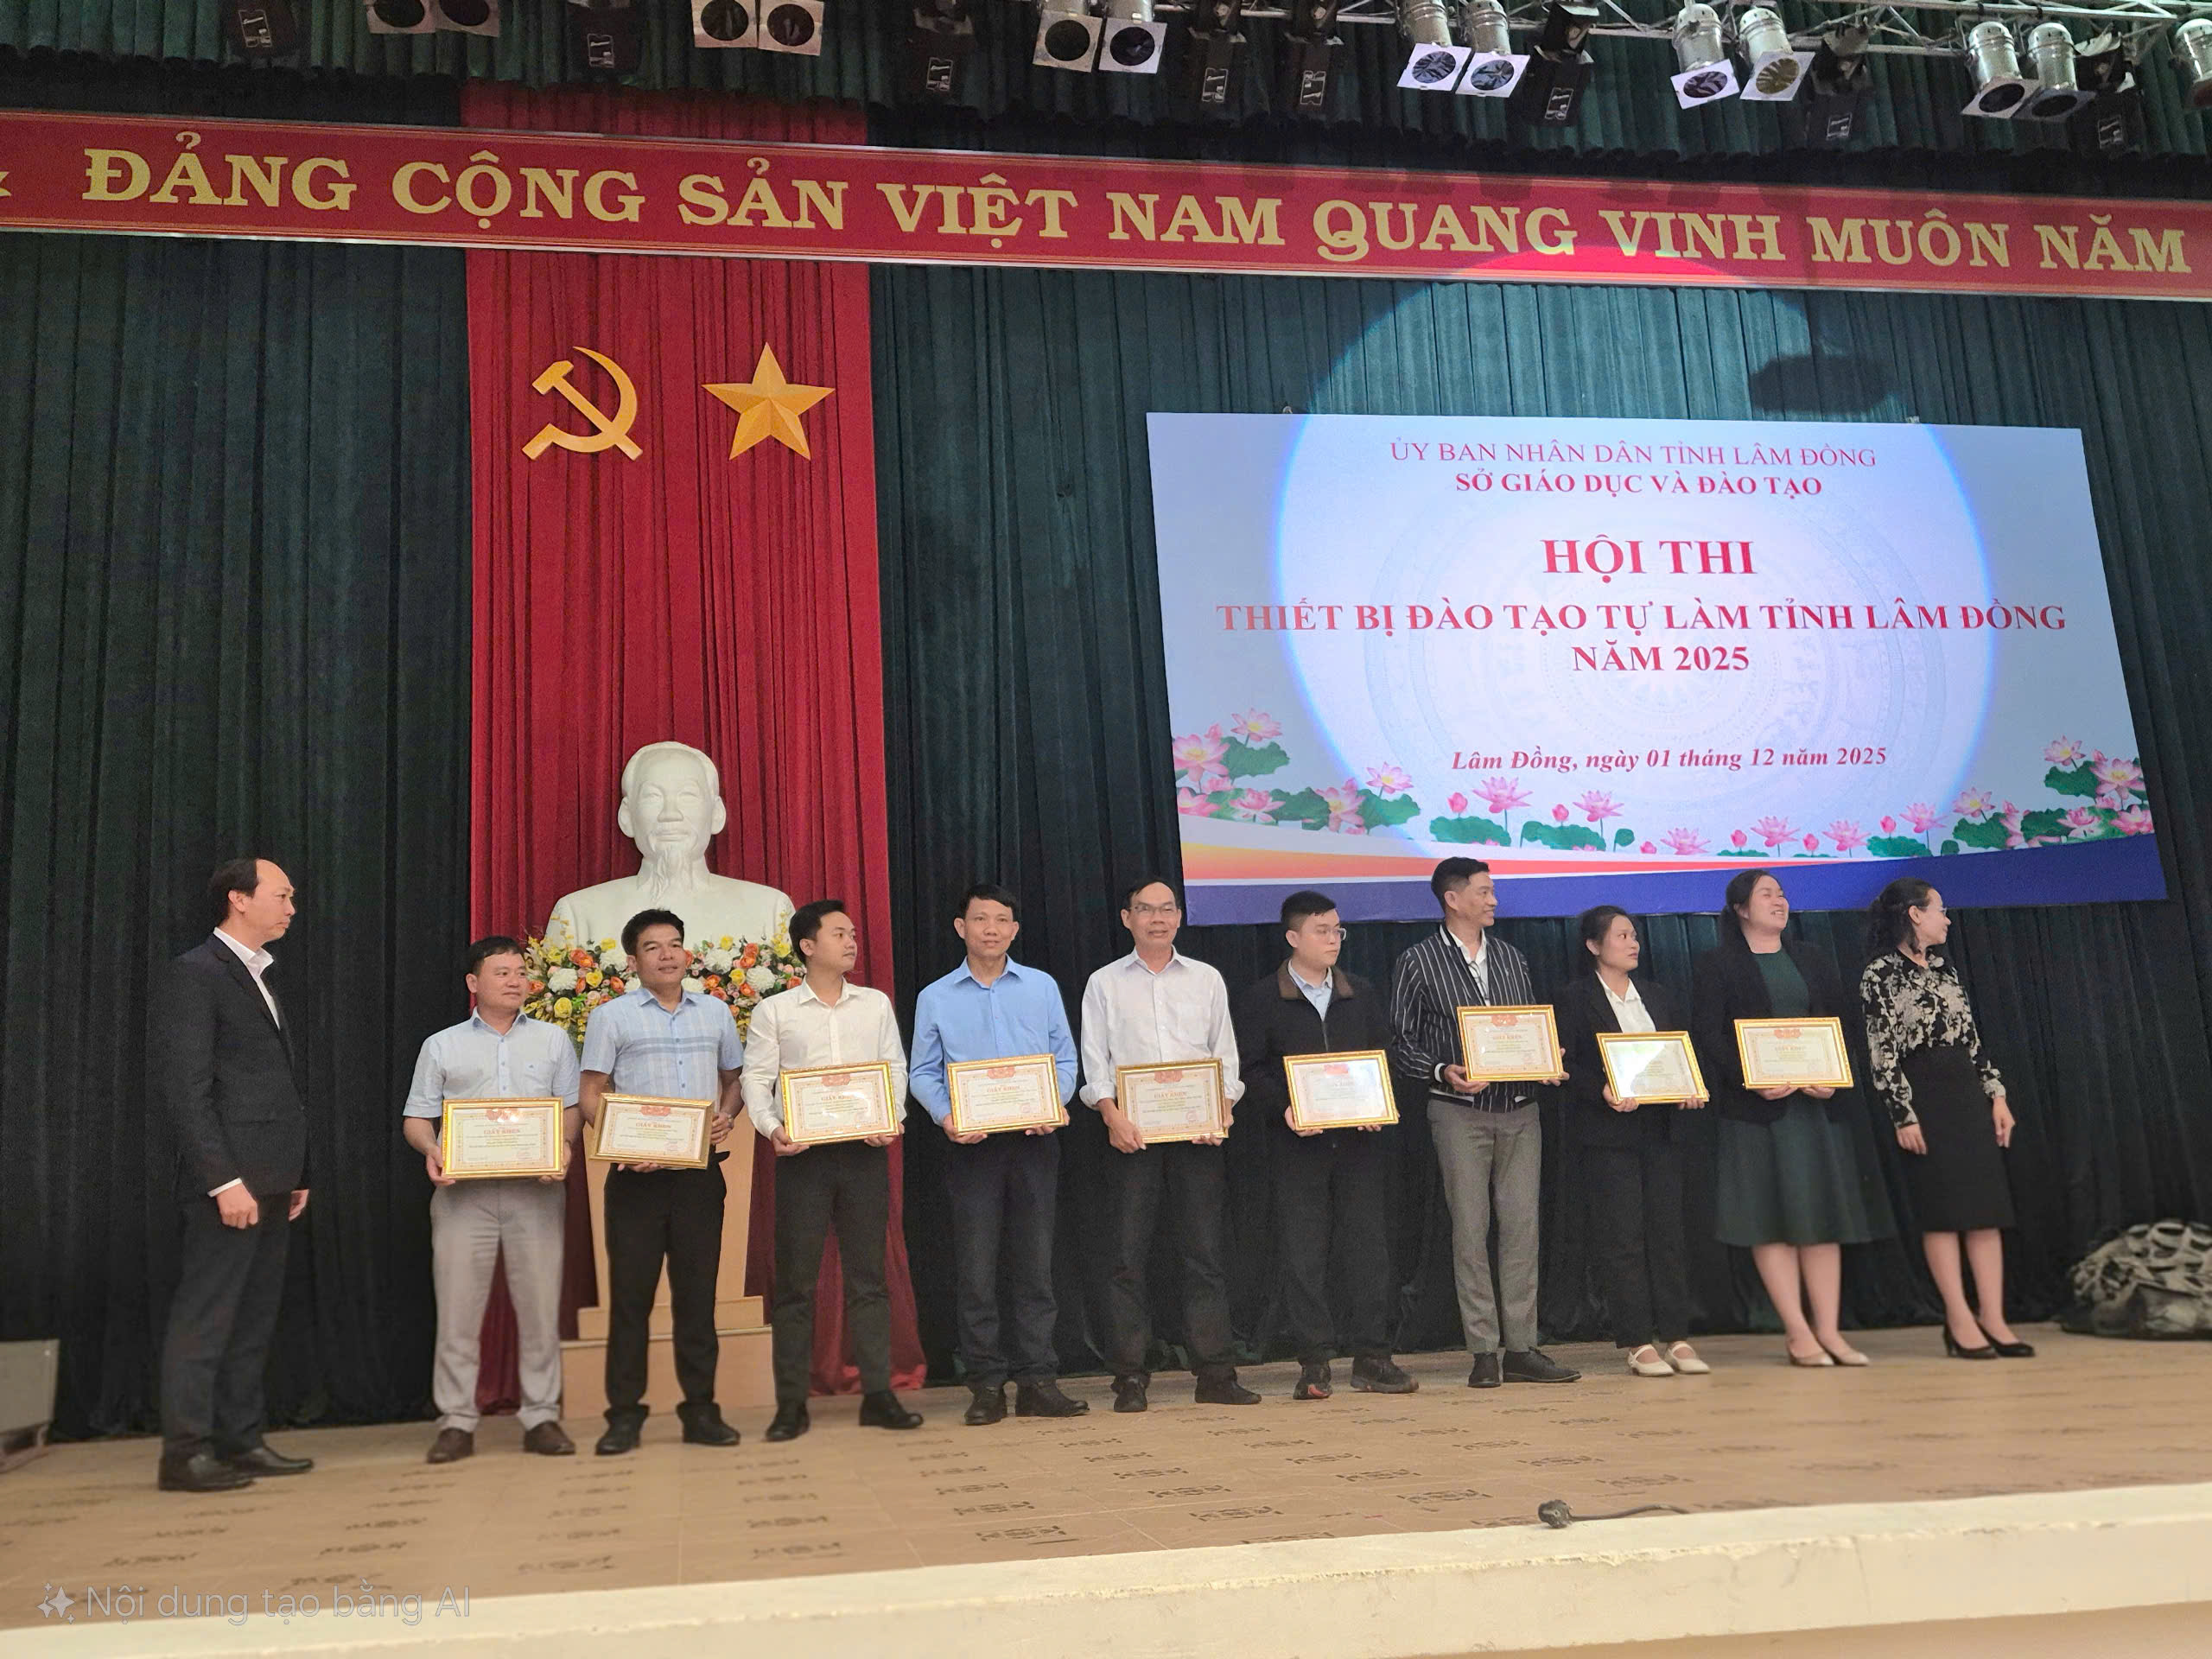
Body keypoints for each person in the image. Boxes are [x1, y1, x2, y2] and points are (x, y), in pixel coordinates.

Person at [155, 857, 316, 1492]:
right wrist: (224, 1181)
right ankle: (185, 1452)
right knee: (207, 1317)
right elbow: (186, 1089)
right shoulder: (196, 972)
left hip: (272, 1178)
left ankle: (240, 1439)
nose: (291, 908)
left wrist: (296, 1170)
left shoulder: (261, 972)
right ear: (238, 899)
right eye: (282, 895)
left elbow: (273, 1085)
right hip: (230, 1185)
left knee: (252, 1319)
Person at [1690, 869, 1895, 1368]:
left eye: (1782, 894)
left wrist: (1835, 1075)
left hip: (1815, 1108)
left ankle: (1829, 1331)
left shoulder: (1811, 957)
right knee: (1771, 1220)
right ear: (1740, 908)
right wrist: (1750, 1078)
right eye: (1767, 894)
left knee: (1822, 1217)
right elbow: (1708, 1035)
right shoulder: (1718, 964)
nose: (1779, 901)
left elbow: (1841, 1026)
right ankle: (1798, 1332)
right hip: (1757, 1113)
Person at [1389, 857, 1579, 1388]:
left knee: (1522, 1230)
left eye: (1493, 892)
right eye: (1484, 891)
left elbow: (1525, 1027)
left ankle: (1521, 1347)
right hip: (1458, 1114)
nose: (1494, 900)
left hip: (1520, 1109)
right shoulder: (1418, 961)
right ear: (1452, 899)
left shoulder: (1513, 958)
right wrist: (1442, 1071)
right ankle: (1482, 1352)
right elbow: (1400, 1042)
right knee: (1470, 1232)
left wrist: (1545, 1057)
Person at [743, 899, 925, 1440]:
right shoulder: (776, 1010)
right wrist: (772, 1127)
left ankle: (879, 1396)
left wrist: (890, 1117)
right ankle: (791, 1404)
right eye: (839, 934)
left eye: (853, 934)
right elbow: (756, 1078)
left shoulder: (874, 1004)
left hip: (864, 1154)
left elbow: (894, 1067)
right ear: (807, 946)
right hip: (803, 1158)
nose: (851, 942)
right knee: (795, 1285)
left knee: (869, 1279)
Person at [909, 884, 1087, 1426]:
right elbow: (922, 1071)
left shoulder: (1041, 986)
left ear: (1014, 929)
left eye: (1002, 919)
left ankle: (1038, 1381)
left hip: (1035, 1142)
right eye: (981, 918)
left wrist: (1052, 1103)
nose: (991, 928)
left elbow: (1065, 1059)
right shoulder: (936, 996)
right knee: (976, 1269)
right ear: (960, 927)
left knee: (1035, 1266)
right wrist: (947, 1117)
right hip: (972, 1148)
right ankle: (986, 1385)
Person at [401, 937, 582, 1464]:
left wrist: (564, 1146)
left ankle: (541, 1416)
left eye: (520, 972)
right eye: (501, 972)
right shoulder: (442, 1045)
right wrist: (432, 1149)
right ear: (473, 983)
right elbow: (416, 1117)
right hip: (464, 1198)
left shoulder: (553, 1040)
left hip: (536, 1193)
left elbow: (570, 1109)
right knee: (458, 1312)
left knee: (540, 1309)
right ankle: (457, 1421)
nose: (514, 980)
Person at [1080, 877, 1255, 1412]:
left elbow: (1225, 1054)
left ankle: (1215, 1373)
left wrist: (1222, 1105)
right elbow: (1095, 1059)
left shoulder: (1206, 978)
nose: (1157, 919)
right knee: (1126, 1257)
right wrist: (1110, 1114)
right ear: (1126, 918)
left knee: (1204, 1255)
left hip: (1199, 1134)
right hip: (1131, 1135)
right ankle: (1130, 1376)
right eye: (1145, 909)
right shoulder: (1104, 983)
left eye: (1166, 909)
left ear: (1179, 917)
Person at [1233, 889, 1415, 1402]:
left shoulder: (1362, 991)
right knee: (1303, 1254)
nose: (1334, 939)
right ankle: (1314, 1362)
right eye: (1322, 931)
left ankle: (1373, 1357)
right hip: (1296, 1144)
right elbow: (1249, 1068)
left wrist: (1378, 1102)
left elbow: (1384, 1056)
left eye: (1338, 930)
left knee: (1368, 1250)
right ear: (1293, 937)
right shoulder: (1261, 997)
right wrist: (1284, 1108)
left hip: (1359, 1143)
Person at [579, 908, 745, 1453]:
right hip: (636, 1183)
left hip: (699, 1178)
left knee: (697, 1299)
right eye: (653, 947)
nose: (667, 955)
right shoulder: (611, 1017)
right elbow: (590, 1093)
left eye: (675, 944)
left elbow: (734, 1079)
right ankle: (624, 1417)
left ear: (687, 953)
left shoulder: (715, 1012)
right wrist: (623, 1144)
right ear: (633, 961)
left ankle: (701, 1411)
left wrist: (727, 1115)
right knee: (631, 1300)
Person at [1861, 880, 2032, 1361]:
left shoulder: (1944, 968)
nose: (1948, 919)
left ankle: (1993, 1317)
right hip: (1924, 1097)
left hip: (1966, 1094)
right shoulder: (1879, 974)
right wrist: (1902, 1113)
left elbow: (1972, 1039)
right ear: (1915, 914)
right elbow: (1882, 1052)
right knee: (1943, 1213)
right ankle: (1958, 1319)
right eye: (1940, 910)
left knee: (1986, 1210)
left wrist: (1996, 1095)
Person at [1554, 906, 1709, 1378]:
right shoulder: (1574, 998)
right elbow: (1565, 1065)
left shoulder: (1657, 996)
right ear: (1593, 945)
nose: (1633, 943)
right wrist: (1600, 1088)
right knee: (1622, 1236)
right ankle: (1638, 1340)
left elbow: (1680, 1053)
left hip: (1661, 1129)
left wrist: (1689, 1087)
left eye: (1635, 936)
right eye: (1621, 936)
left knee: (1668, 1233)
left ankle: (1677, 1336)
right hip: (1608, 1134)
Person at [545, 741, 794, 952]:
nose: (670, 814)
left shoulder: (769, 911)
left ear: (717, 814)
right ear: (627, 817)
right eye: (653, 797)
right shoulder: (578, 915)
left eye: (688, 796)